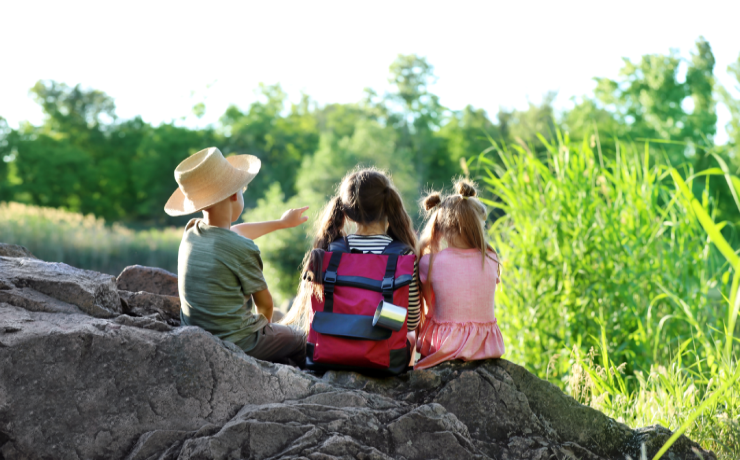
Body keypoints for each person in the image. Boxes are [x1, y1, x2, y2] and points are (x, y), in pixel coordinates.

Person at [164, 147, 309, 366]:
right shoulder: (242, 248)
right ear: (233, 194)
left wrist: (281, 224)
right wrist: (264, 332)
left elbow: (234, 232)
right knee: (301, 339)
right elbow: (266, 305)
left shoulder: (192, 230)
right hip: (237, 341)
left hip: (196, 330)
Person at [281, 168, 420, 345]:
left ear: (346, 211)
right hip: (382, 355)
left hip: (331, 350)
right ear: (388, 205)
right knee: (410, 338)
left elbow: (317, 313)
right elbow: (411, 321)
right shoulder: (403, 255)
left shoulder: (331, 251)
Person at [413, 179, 505, 370]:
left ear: (441, 228)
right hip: (486, 347)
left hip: (443, 347)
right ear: (477, 227)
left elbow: (428, 303)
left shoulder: (430, 263)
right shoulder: (490, 258)